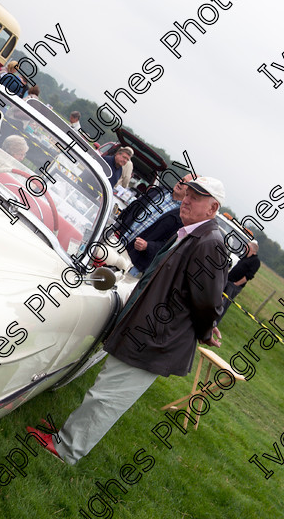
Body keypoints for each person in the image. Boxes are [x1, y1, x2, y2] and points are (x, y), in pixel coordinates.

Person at [28, 176, 230, 464]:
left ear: (212, 209)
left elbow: (208, 301)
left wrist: (207, 330)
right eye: (188, 193)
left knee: (108, 397)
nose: (187, 199)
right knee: (106, 387)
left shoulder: (210, 242)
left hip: (156, 338)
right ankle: (66, 438)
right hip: (146, 330)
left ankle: (66, 450)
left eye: (197, 198)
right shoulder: (191, 233)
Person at [122, 174, 194, 276]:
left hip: (134, 260)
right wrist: (119, 227)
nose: (181, 183)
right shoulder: (158, 191)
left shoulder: (183, 218)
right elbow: (133, 208)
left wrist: (148, 246)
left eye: (186, 184)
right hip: (118, 242)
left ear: (191, 193)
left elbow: (168, 246)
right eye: (182, 179)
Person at [222, 240, 260, 315]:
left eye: (247, 247)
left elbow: (249, 275)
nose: (245, 248)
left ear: (252, 249)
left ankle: (214, 322)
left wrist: (236, 284)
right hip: (228, 280)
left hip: (234, 285)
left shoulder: (255, 261)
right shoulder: (245, 257)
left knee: (224, 304)